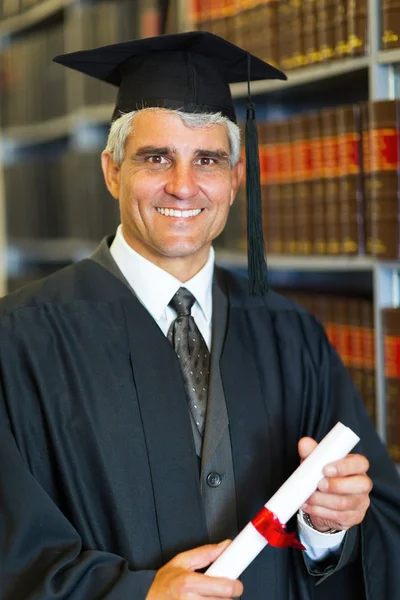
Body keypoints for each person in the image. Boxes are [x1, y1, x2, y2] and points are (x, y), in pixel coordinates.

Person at [0, 31, 399, 600]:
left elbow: (381, 524)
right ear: (112, 171)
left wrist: (327, 528)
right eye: (156, 157)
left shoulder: (292, 335)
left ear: (236, 180)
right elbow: (10, 553)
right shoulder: (19, 342)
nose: (183, 186)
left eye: (208, 159)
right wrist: (136, 595)